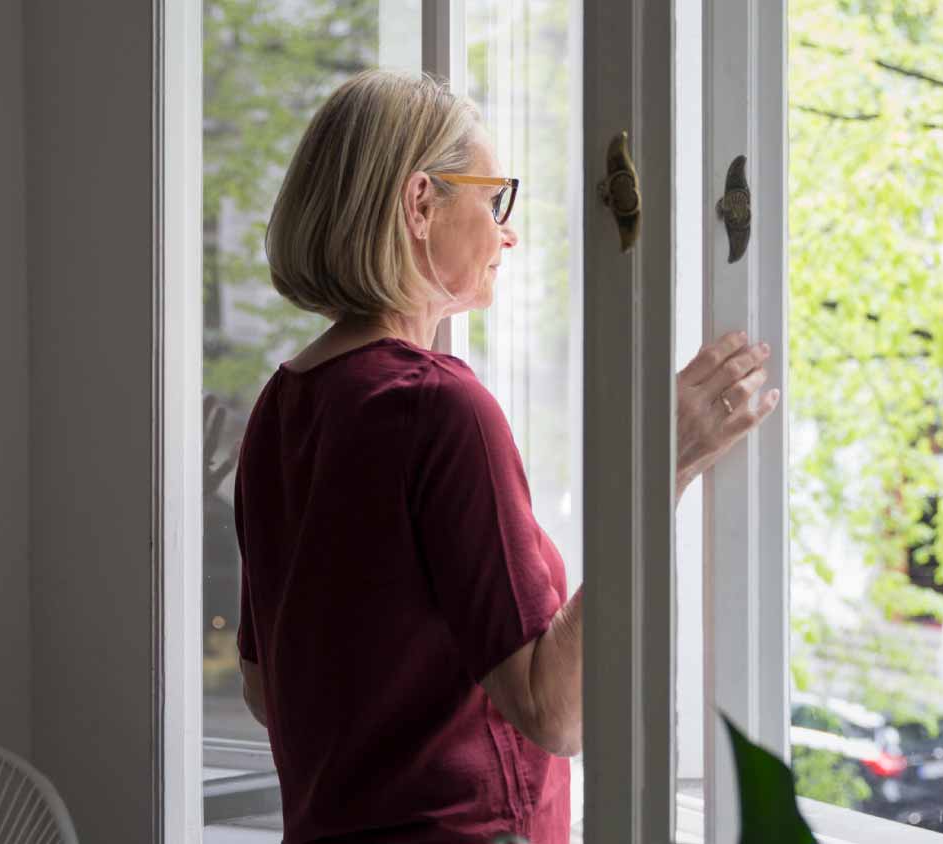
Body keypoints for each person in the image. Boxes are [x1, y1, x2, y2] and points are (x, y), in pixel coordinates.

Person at [234, 70, 779, 844]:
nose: (507, 233)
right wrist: (663, 467)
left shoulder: (285, 404)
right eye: (493, 203)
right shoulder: (437, 406)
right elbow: (557, 714)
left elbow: (264, 690)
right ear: (420, 203)